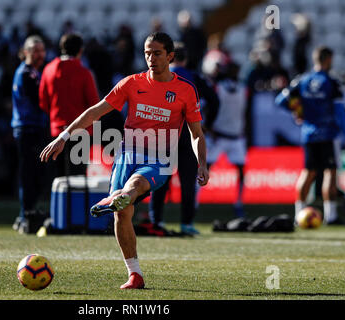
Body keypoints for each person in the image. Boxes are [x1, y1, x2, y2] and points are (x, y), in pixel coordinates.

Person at [40, 32, 209, 289]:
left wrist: (202, 163)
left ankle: (117, 197)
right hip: (126, 156)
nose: (151, 58)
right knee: (122, 215)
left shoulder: (185, 90)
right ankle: (135, 274)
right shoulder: (132, 83)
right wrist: (64, 137)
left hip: (160, 159)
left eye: (157, 53)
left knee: (136, 184)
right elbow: (95, 111)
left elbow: (196, 134)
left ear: (171, 56)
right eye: (147, 53)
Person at [146, 43, 219, 236]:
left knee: (160, 178)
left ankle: (157, 221)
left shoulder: (159, 75)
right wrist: (207, 123)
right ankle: (186, 223)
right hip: (188, 132)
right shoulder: (194, 77)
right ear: (186, 59)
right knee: (188, 180)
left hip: (164, 133)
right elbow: (214, 99)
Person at [275, 46, 345, 225]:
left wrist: (297, 111)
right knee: (330, 173)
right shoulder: (332, 82)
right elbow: (339, 111)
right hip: (328, 134)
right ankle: (330, 216)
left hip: (308, 133)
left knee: (308, 173)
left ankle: (298, 215)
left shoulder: (302, 80)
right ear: (328, 59)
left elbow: (281, 100)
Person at [39, 33, 100, 178]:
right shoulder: (84, 73)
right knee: (77, 179)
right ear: (80, 50)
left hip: (56, 131)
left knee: (59, 179)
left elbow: (43, 102)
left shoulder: (48, 70)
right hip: (81, 132)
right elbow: (94, 105)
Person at [11, 36, 50, 231]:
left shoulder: (34, 72)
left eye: (42, 50)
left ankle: (28, 213)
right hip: (27, 128)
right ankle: (25, 215)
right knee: (28, 174)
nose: (40, 54)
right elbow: (39, 101)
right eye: (36, 50)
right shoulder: (26, 74)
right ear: (26, 52)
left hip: (32, 127)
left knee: (34, 174)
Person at [206, 62, 248, 217]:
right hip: (218, 136)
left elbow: (246, 112)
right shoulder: (218, 87)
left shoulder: (243, 89)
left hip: (236, 137)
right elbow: (207, 107)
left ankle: (238, 202)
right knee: (205, 168)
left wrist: (246, 132)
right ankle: (194, 202)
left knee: (241, 169)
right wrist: (208, 128)